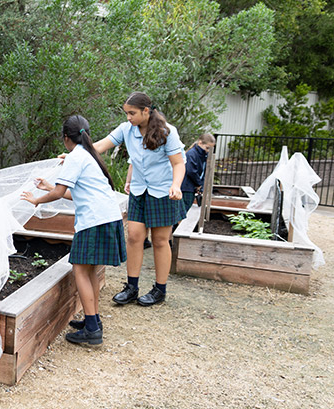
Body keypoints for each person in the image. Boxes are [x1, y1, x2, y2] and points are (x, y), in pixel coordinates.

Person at [21, 115, 126, 345]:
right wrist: (50, 186)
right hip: (107, 218)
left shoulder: (76, 157)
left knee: (80, 271)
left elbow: (59, 194)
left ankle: (92, 330)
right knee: (89, 272)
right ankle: (94, 321)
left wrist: (36, 200)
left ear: (66, 138)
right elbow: (74, 194)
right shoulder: (88, 155)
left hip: (95, 222)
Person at [94, 92, 186, 307]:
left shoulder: (167, 132)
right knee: (134, 237)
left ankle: (159, 290)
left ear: (146, 111)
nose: (128, 117)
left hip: (163, 191)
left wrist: (176, 185)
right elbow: (99, 146)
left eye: (132, 113)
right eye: (126, 113)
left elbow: (178, 164)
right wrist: (75, 154)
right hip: (139, 190)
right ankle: (131, 287)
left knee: (160, 241)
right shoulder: (127, 129)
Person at [181, 133, 215, 214]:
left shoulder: (202, 155)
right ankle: (176, 227)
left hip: (191, 186)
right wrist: (199, 184)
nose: (208, 151)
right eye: (207, 148)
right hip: (186, 187)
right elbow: (191, 171)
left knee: (185, 209)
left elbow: (202, 171)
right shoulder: (192, 154)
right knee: (184, 210)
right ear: (200, 143)